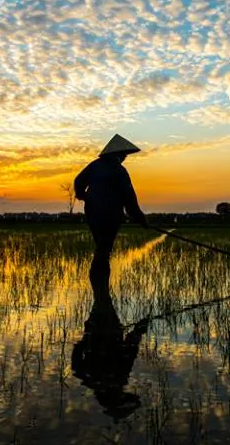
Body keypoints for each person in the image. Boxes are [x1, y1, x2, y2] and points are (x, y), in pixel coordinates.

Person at [71, 261, 149, 421]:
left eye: (125, 396)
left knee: (102, 297)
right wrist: (84, 340)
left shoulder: (112, 377)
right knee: (101, 297)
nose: (126, 391)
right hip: (98, 329)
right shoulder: (90, 379)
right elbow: (130, 348)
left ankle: (100, 269)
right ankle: (100, 269)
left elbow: (130, 348)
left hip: (104, 329)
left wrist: (138, 330)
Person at [74, 134, 149, 270]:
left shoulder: (94, 166)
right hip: (111, 215)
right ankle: (100, 283)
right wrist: (140, 218)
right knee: (104, 249)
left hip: (92, 213)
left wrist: (85, 197)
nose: (125, 158)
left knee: (101, 246)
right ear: (119, 154)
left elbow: (78, 182)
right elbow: (130, 200)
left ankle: (100, 287)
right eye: (124, 155)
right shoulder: (120, 171)